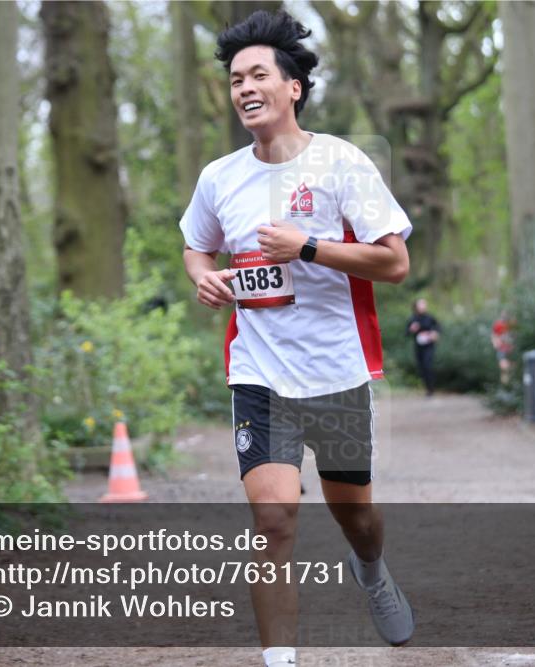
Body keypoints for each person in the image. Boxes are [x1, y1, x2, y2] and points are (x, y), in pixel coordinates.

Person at [179, 10, 415, 666]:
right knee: (274, 519)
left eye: (258, 75)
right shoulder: (219, 178)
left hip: (336, 372)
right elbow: (196, 248)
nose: (245, 88)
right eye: (234, 80)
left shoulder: (342, 162)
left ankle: (370, 567)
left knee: (356, 517)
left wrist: (309, 246)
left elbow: (394, 263)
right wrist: (204, 278)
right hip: (259, 372)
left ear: (293, 88)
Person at [406, 298, 440, 396]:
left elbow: (438, 327)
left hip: (429, 346)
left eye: (424, 304)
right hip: (418, 347)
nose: (423, 306)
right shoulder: (413, 319)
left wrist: (434, 333)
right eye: (420, 304)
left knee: (427, 365)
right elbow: (406, 333)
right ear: (416, 307)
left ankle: (431, 389)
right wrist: (411, 329)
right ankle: (428, 388)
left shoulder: (430, 317)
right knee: (421, 368)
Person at [491, 311, 514, 384]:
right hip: (502, 348)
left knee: (507, 365)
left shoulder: (510, 325)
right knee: (503, 366)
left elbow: (512, 336)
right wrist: (495, 343)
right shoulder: (498, 324)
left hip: (509, 349)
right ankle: (506, 383)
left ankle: (508, 381)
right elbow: (494, 335)